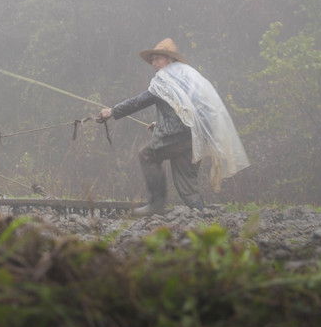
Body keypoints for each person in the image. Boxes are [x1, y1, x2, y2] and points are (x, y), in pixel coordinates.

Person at [97, 38, 248, 217]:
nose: (154, 63)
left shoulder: (165, 79)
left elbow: (141, 100)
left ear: (170, 59)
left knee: (147, 155)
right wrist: (160, 123)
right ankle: (201, 215)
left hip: (176, 137)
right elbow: (184, 108)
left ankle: (156, 204)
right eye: (152, 60)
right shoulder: (187, 76)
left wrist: (113, 111)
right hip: (193, 139)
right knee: (186, 183)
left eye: (158, 58)